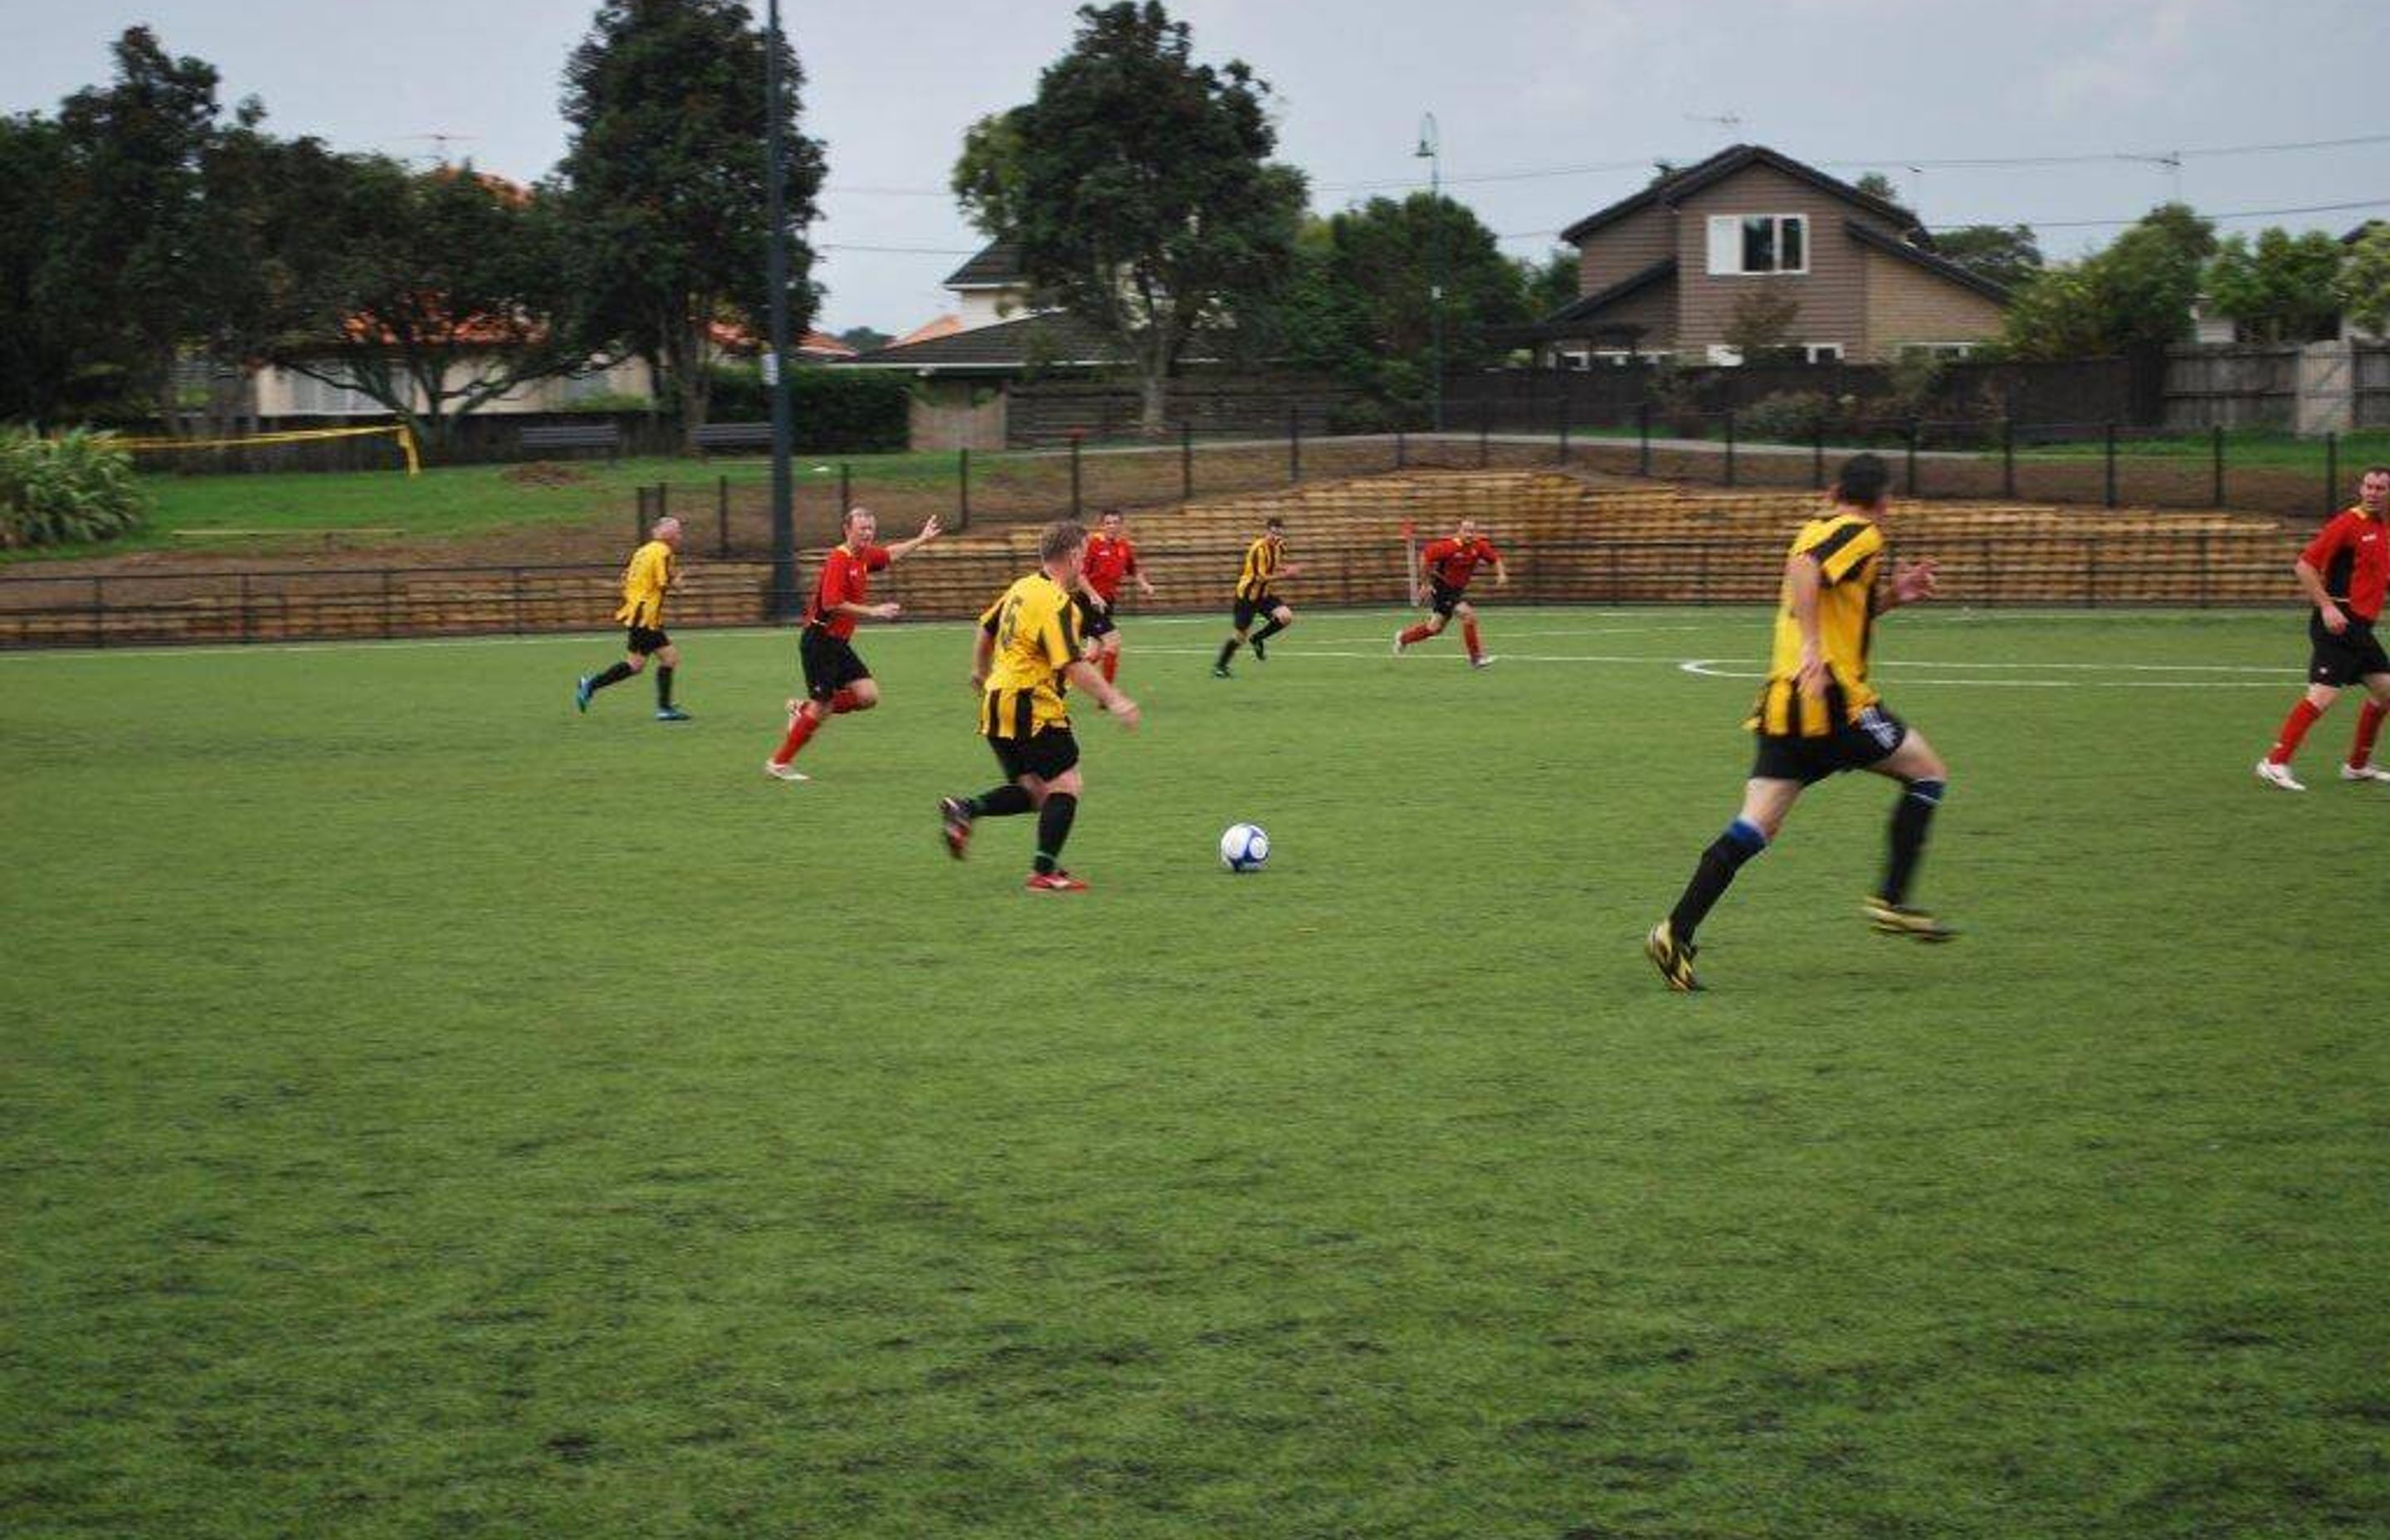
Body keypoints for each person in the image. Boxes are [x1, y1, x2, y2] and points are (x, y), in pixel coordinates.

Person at [1646, 453, 1955, 993]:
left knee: (1756, 825)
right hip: (1834, 700)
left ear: (1834, 489)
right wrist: (1814, 649)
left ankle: (1675, 930)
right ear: (1883, 502)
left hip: (1785, 704)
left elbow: (1829, 598)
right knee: (1927, 774)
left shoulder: (1816, 526)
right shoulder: (1862, 533)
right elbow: (1806, 568)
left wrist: (1891, 599)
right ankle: (1891, 898)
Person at [939, 519, 1141, 891]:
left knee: (1035, 791)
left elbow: (985, 628)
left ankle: (965, 809)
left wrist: (979, 673)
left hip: (996, 701)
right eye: (1086, 554)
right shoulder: (1058, 602)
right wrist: (1114, 699)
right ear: (1075, 555)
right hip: (1031, 704)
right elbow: (1071, 664)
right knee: (1067, 784)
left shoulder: (1021, 587)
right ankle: (1042, 873)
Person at [764, 507, 942, 782]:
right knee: (822, 707)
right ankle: (779, 762)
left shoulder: (864, 555)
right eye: (862, 529)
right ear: (847, 530)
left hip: (838, 644)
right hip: (820, 640)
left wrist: (921, 539)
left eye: (871, 529)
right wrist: (873, 611)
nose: (868, 534)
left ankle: (803, 709)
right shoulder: (839, 559)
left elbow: (890, 554)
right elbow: (831, 604)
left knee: (867, 696)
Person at [2255, 465, 2390, 791]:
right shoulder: (2347, 523)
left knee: (2386, 693)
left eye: (2380, 488)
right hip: (2337, 624)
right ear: (2361, 489)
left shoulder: (2384, 529)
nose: (2372, 493)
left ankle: (2356, 766)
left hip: (2360, 628)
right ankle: (2274, 762)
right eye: (2368, 487)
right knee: (2322, 696)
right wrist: (2327, 606)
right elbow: (2304, 565)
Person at [576, 516, 690, 721]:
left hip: (639, 613)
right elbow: (664, 583)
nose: (680, 536)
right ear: (668, 534)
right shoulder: (663, 552)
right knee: (660, 660)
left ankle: (591, 685)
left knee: (646, 663)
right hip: (646, 616)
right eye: (678, 532)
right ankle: (663, 709)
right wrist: (679, 582)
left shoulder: (642, 551)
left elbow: (625, 578)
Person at [1393, 517, 1508, 668]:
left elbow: (1495, 559)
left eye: (1472, 532)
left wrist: (1501, 574)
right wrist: (1425, 584)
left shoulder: (1478, 546)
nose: (1469, 535)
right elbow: (1424, 557)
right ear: (1459, 531)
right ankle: (1476, 659)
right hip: (1443, 588)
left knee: (1434, 628)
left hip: (1455, 591)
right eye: (1466, 531)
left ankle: (1403, 638)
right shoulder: (1449, 547)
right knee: (1469, 616)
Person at [1213, 516, 1302, 678]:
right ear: (1267, 531)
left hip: (1264, 595)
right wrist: (1286, 575)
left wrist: (1286, 568)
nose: (1276, 537)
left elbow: (1274, 564)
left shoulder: (1280, 546)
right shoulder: (1258, 549)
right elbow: (1260, 577)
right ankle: (1220, 666)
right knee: (1240, 637)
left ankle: (1257, 639)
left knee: (1286, 617)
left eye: (1279, 534)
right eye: (1273, 533)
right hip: (1246, 597)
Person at [1076, 507, 1157, 684]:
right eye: (1108, 523)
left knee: (1092, 655)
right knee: (1113, 641)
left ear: (1121, 525)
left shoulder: (1124, 547)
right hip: (1088, 603)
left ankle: (1059, 683)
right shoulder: (1093, 544)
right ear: (1101, 526)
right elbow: (1080, 575)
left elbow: (1133, 570)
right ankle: (1108, 695)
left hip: (1106, 604)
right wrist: (1093, 595)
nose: (1112, 526)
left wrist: (1145, 585)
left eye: (1115, 523)